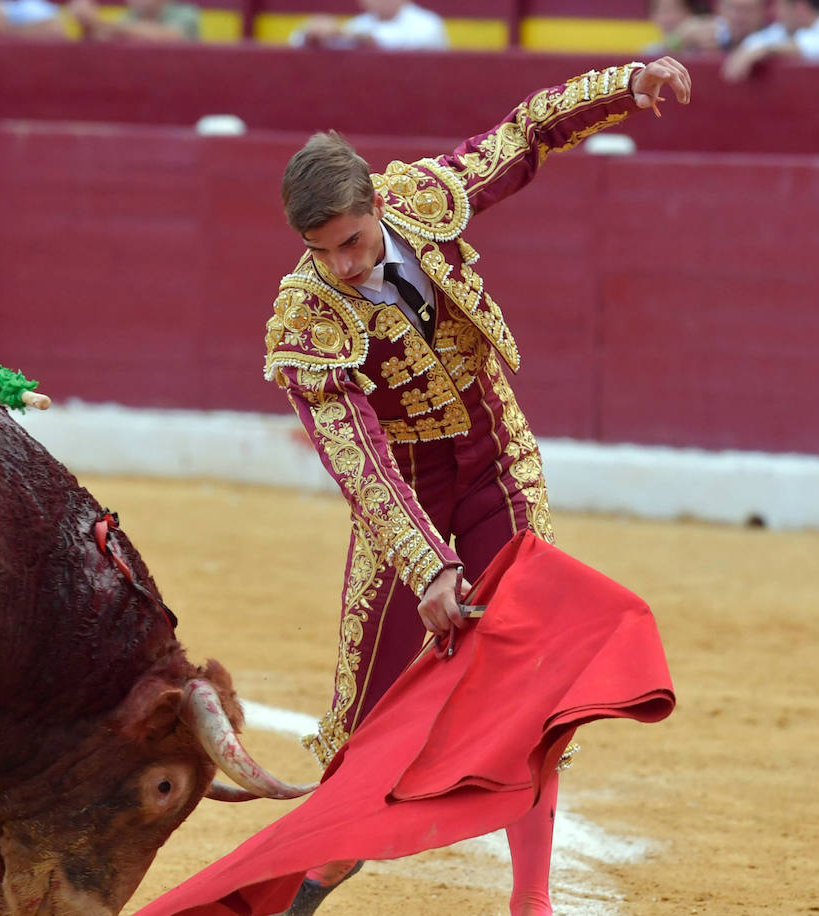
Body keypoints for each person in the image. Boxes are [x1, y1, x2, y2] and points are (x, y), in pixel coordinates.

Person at [263, 55, 692, 916]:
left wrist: (625, 83)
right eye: (320, 250)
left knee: (531, 681)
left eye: (349, 242)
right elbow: (358, 457)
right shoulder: (304, 315)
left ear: (378, 207)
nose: (339, 266)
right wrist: (426, 567)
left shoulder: (425, 196)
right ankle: (323, 866)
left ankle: (529, 899)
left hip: (496, 460)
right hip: (409, 491)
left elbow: (526, 131)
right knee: (365, 704)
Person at [722, 0, 819, 82]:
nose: (775, 12)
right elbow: (758, 43)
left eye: (780, 5)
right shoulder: (785, 30)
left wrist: (767, 50)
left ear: (799, 7)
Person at [290, 0, 448, 51]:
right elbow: (295, 42)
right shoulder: (359, 23)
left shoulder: (427, 24)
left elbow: (395, 42)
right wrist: (313, 33)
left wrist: (341, 32)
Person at [69, 0, 200, 42]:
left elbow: (170, 36)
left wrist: (99, 23)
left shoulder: (184, 13)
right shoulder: (130, 16)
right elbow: (106, 39)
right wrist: (87, 23)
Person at [642, 0, 717, 54]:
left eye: (676, 9)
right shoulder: (649, 53)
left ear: (691, 12)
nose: (669, 18)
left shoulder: (714, 32)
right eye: (662, 10)